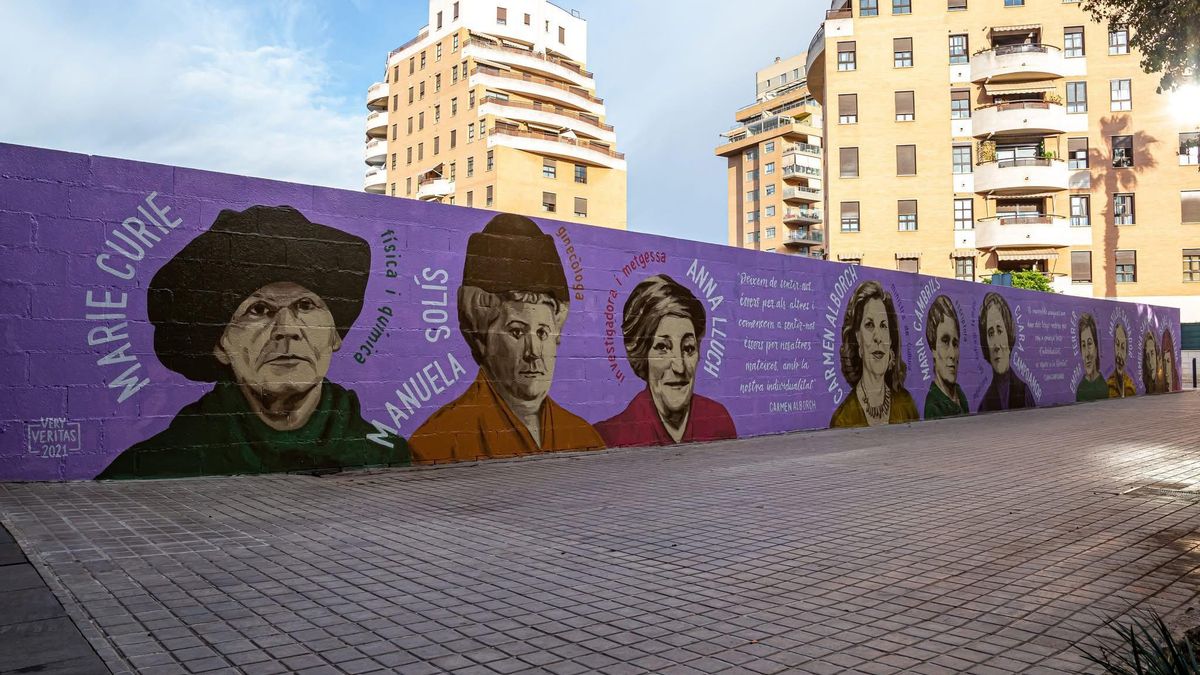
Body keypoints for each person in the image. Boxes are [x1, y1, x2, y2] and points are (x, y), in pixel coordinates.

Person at [98, 206, 409, 479]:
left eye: (305, 306)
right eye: (258, 310)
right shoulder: (160, 466)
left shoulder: (386, 455)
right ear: (220, 344)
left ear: (334, 334)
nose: (287, 330)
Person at [408, 214, 604, 462]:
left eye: (543, 332)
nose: (533, 351)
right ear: (482, 338)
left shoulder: (584, 439)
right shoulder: (438, 444)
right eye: (516, 332)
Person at [594, 275, 736, 447]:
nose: (679, 367)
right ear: (642, 355)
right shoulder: (611, 437)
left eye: (688, 348)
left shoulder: (718, 422)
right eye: (663, 347)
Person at [829, 281, 919, 428]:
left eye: (883, 326)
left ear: (890, 339)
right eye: (869, 325)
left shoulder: (907, 405)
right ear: (858, 337)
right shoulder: (843, 419)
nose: (878, 336)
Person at [977, 292, 1033, 411]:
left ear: (1009, 334)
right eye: (990, 334)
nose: (996, 345)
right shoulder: (984, 405)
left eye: (1000, 331)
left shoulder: (1024, 394)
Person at [922, 295, 969, 419]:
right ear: (933, 349)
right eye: (945, 341)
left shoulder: (960, 395)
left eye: (955, 343)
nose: (952, 354)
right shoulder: (934, 407)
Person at [1075, 313, 1107, 402]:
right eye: (1083, 345)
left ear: (1096, 348)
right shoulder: (1080, 389)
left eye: (1089, 344)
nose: (1087, 354)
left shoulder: (1105, 386)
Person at [1107, 322, 1136, 398]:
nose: (1119, 354)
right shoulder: (1109, 385)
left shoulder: (1130, 386)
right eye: (1117, 345)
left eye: (1123, 347)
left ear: (1126, 353)